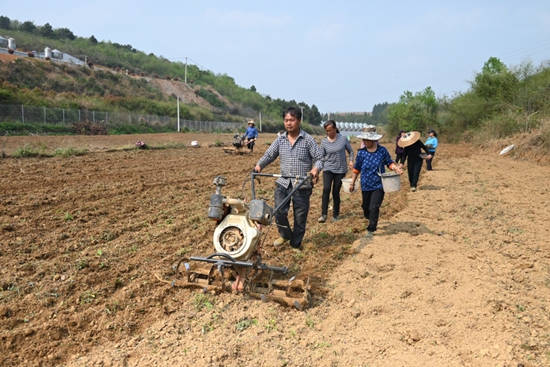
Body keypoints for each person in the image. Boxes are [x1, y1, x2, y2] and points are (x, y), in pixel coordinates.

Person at [254, 107, 323, 250]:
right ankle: (285, 234)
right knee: (278, 210)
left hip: (302, 183)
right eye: (286, 120)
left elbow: (319, 158)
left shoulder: (308, 139)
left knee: (300, 216)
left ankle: (295, 243)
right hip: (284, 181)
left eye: (292, 120)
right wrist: (259, 165)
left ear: (299, 121)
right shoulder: (280, 140)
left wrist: (316, 169)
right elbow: (269, 155)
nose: (289, 123)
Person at [349, 130, 403, 237]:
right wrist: (352, 183)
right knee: (366, 207)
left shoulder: (382, 151)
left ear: (373, 140)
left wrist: (395, 168)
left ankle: (371, 229)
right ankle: (370, 217)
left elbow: (389, 162)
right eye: (364, 140)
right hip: (366, 184)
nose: (365, 142)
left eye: (368, 140)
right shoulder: (362, 153)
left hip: (379, 184)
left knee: (374, 207)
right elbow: (356, 169)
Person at [318, 120, 354, 223]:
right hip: (328, 168)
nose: (328, 132)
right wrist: (318, 169)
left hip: (340, 169)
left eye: (330, 130)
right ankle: (323, 214)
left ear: (335, 129)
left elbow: (350, 151)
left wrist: (351, 160)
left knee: (335, 192)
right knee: (326, 189)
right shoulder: (324, 142)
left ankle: (335, 215)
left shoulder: (343, 139)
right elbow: (321, 156)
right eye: (326, 131)